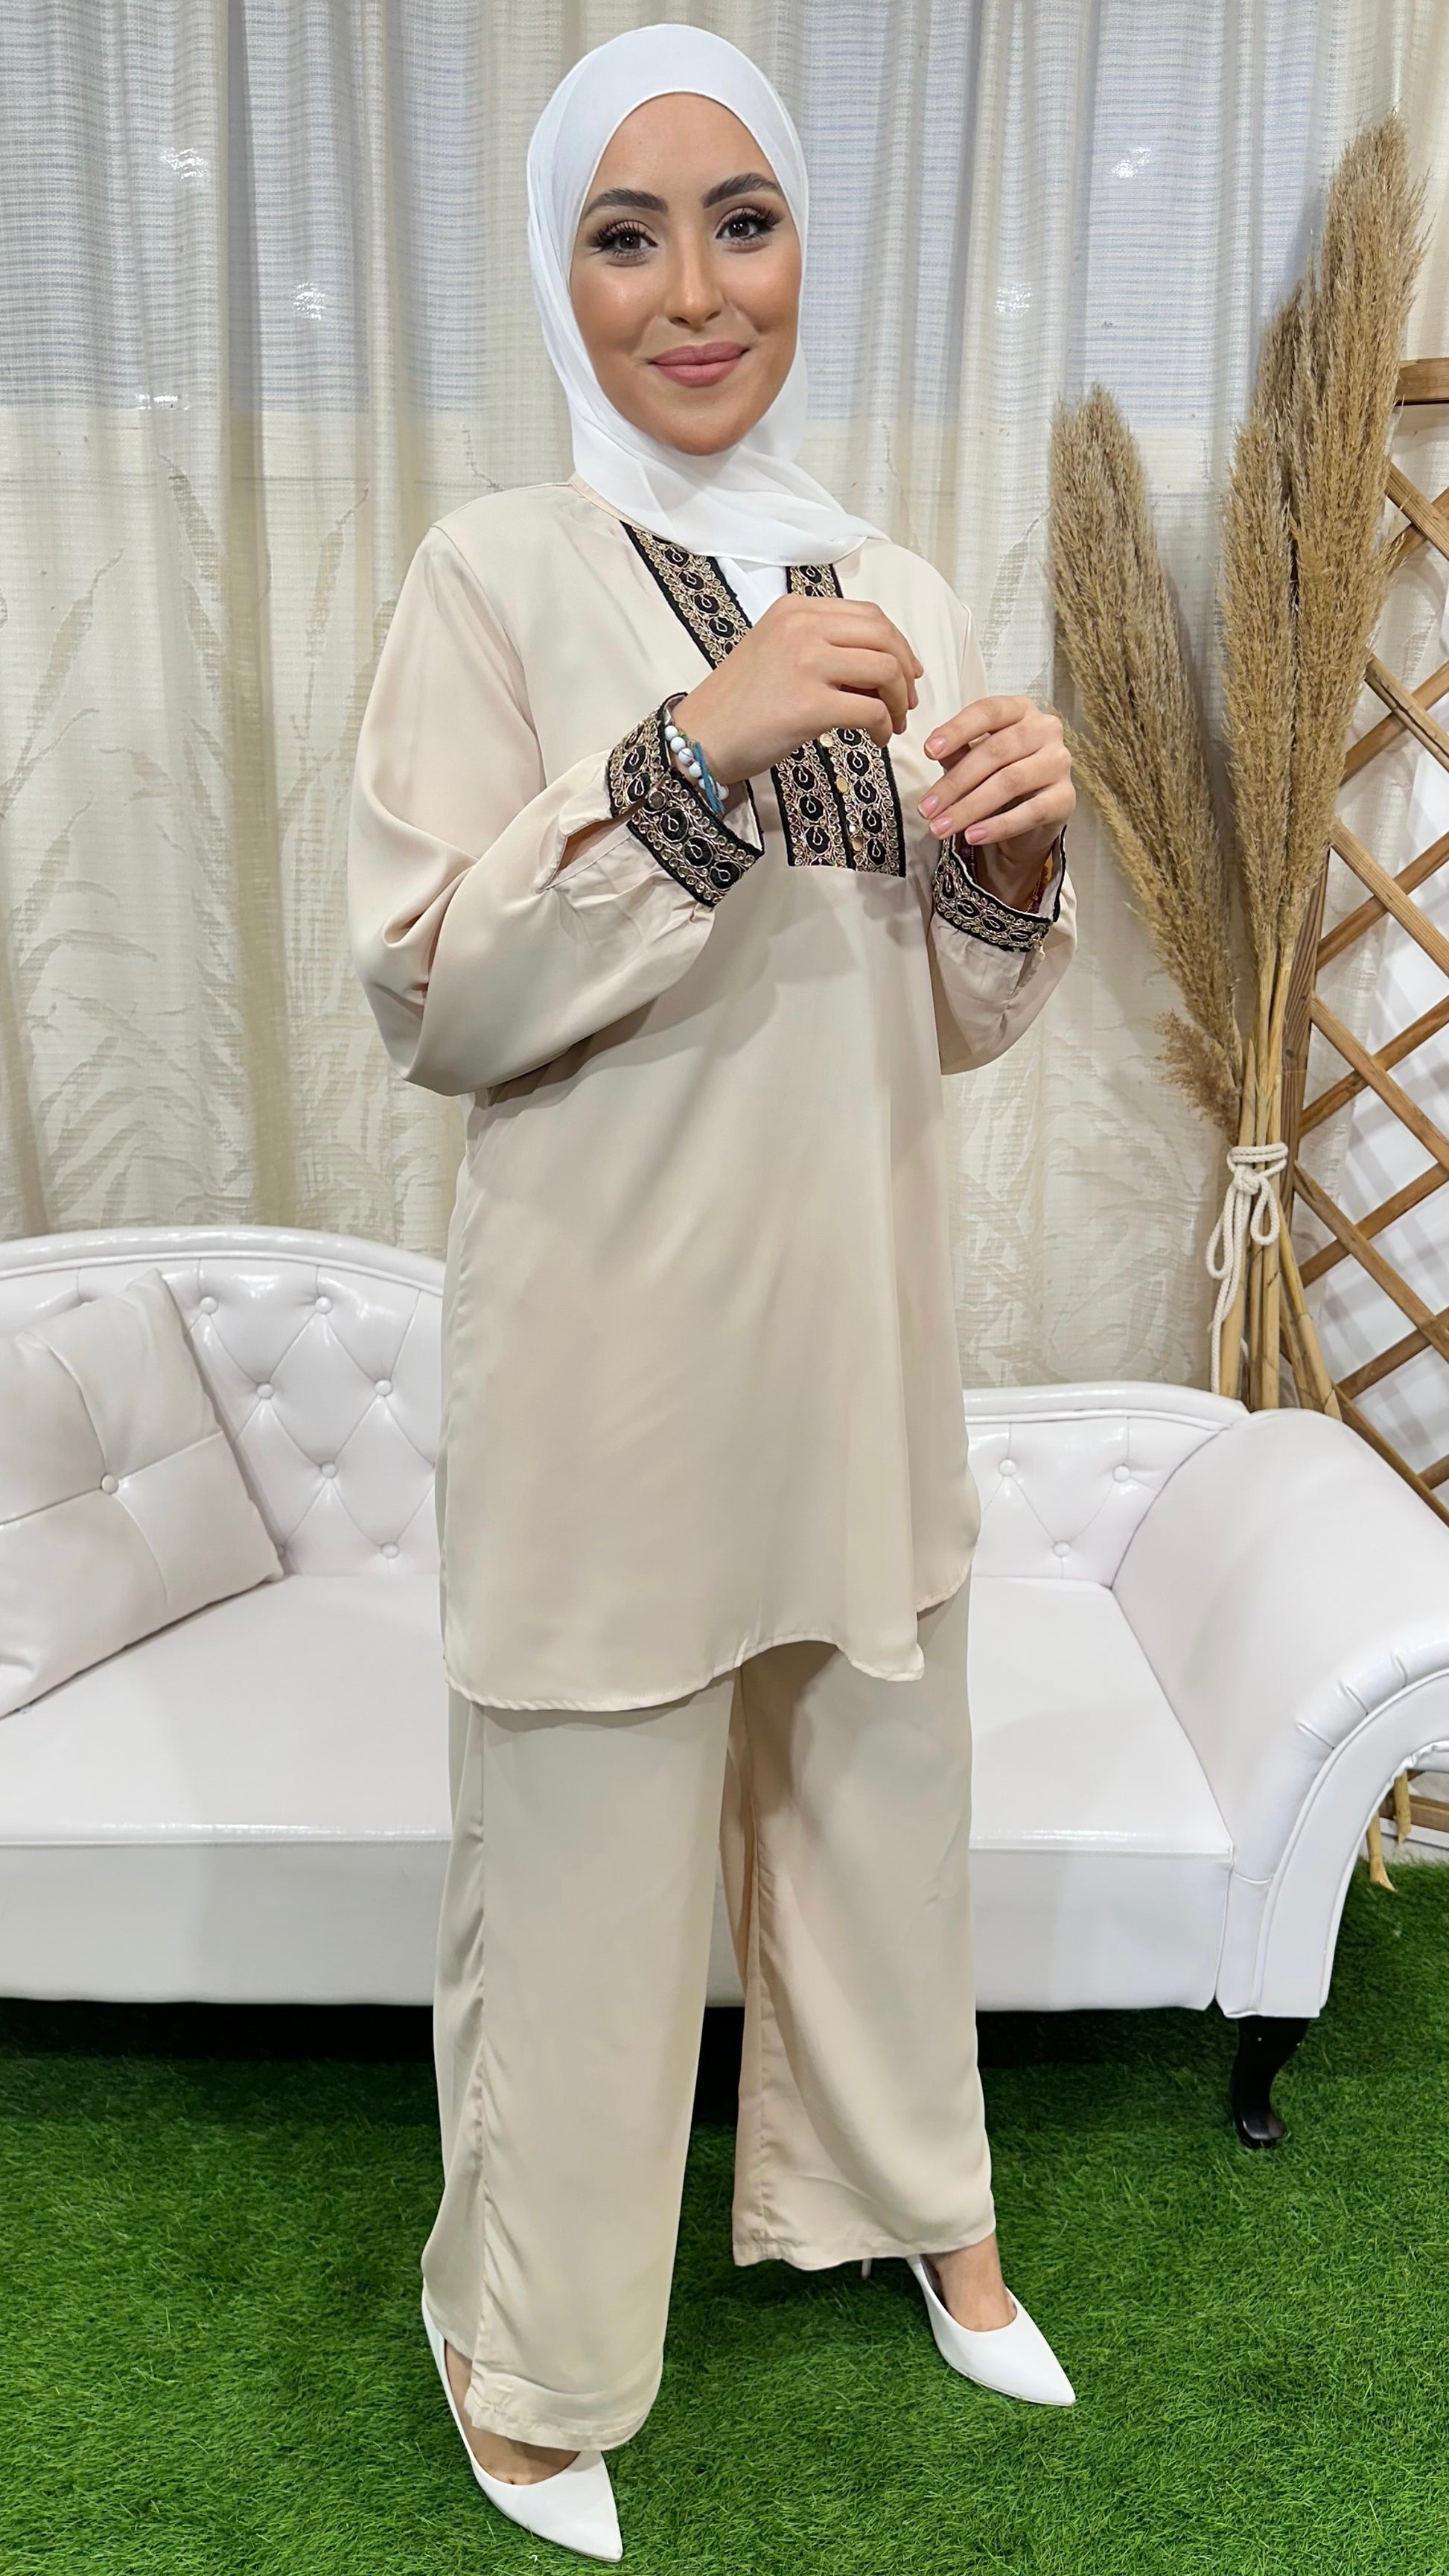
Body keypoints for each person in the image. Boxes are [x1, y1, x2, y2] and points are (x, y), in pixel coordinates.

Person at [347, 24, 1078, 2563]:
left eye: (740, 223)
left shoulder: (897, 583)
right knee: (579, 1875)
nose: (692, 291)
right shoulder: (491, 573)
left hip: (853, 1337)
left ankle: (920, 2205)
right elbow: (433, 987)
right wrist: (694, 737)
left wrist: (1011, 869)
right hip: (610, 1365)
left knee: (881, 1797)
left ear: (801, 251)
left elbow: (940, 1011)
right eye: (623, 234)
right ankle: (527, 2349)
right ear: (556, 275)